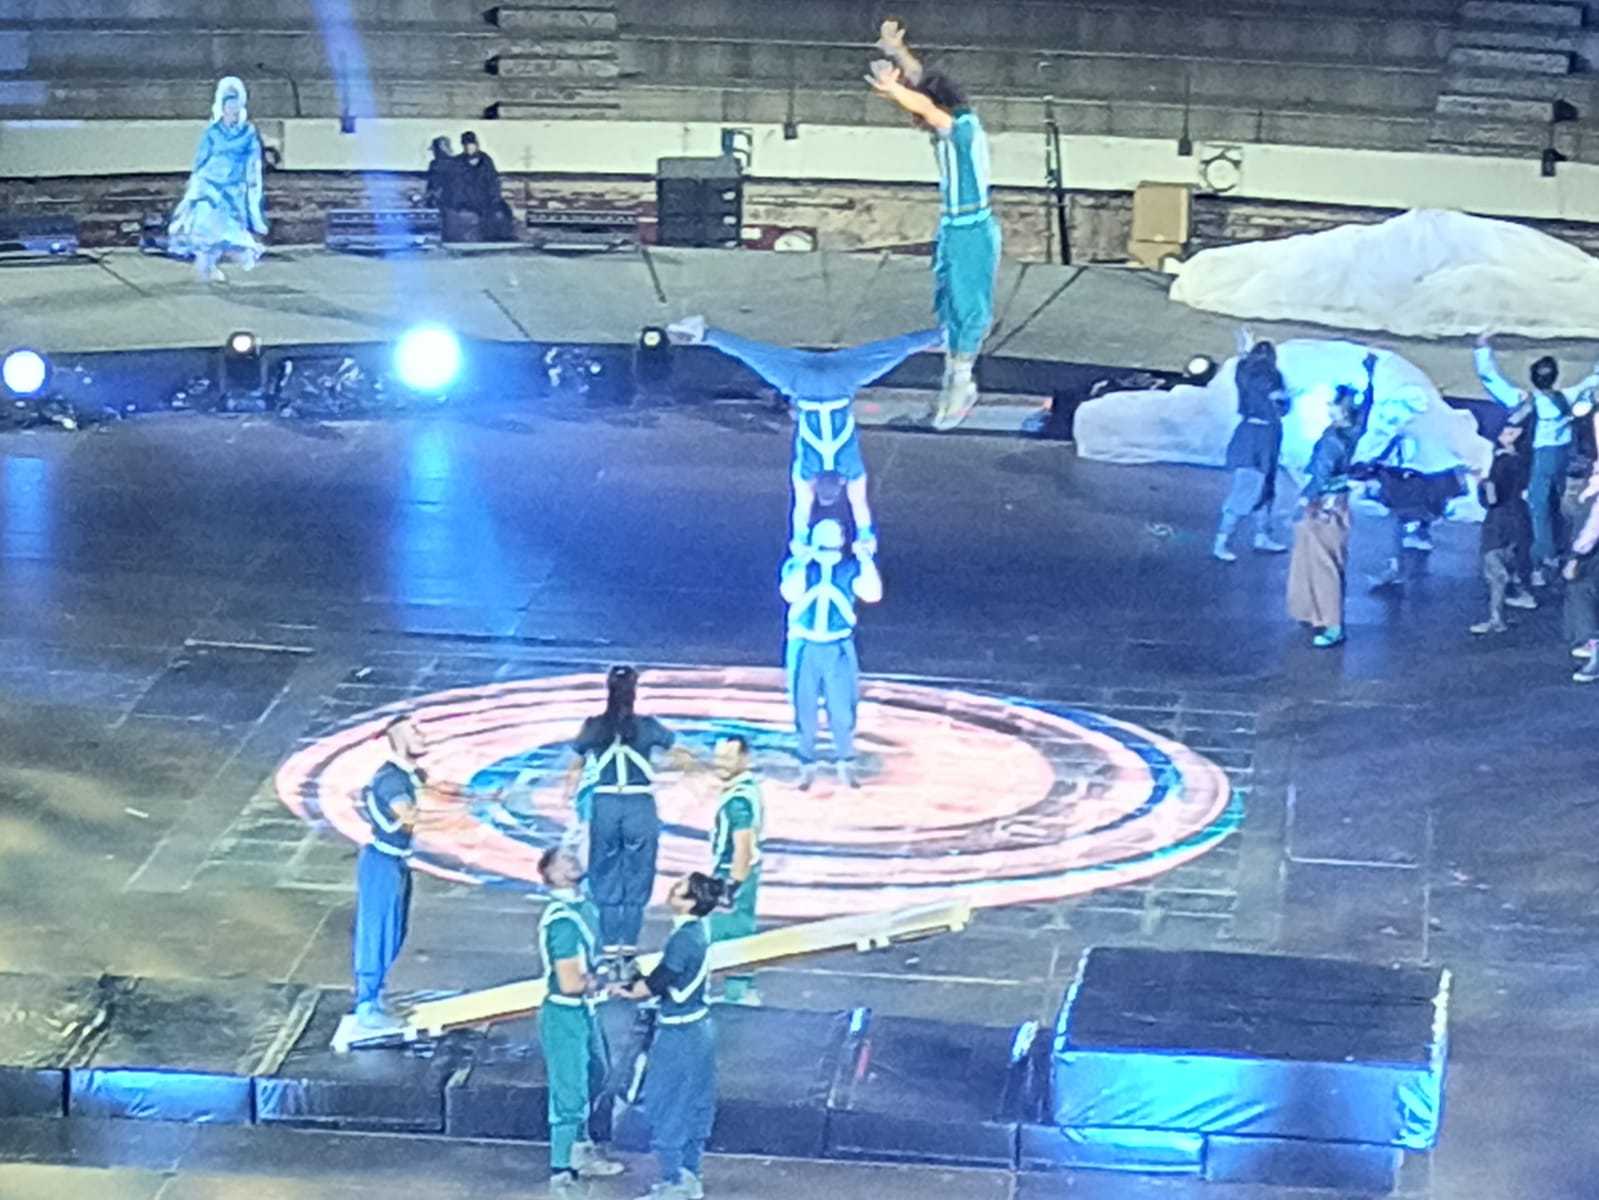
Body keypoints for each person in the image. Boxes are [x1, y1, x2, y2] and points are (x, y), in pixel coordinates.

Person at [667, 317, 940, 550]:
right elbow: (801, 508)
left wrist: (865, 536)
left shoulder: (850, 468)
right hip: (801, 384)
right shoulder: (807, 470)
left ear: (841, 481)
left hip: (841, 381)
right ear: (815, 481)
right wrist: (799, 539)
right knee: (754, 353)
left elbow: (859, 505)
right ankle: (704, 333)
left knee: (895, 350)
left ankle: (942, 335)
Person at [869, 19, 1001, 432]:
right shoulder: (958, 120)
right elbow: (925, 83)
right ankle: (954, 376)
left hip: (971, 230)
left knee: (968, 306)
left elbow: (927, 106)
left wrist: (895, 91)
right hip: (956, 227)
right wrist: (896, 51)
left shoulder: (958, 129)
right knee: (951, 304)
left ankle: (962, 382)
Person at [612, 872, 725, 1200]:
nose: (672, 890)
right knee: (693, 1104)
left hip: (679, 1034)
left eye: (679, 889)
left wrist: (627, 988)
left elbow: (659, 982)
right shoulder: (699, 929)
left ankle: (675, 1182)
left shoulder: (683, 939)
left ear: (690, 902)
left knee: (667, 1103)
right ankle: (689, 1175)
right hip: (699, 1030)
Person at [567, 666, 689, 954]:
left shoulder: (594, 726)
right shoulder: (648, 726)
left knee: (604, 870)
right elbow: (681, 756)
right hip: (639, 805)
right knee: (639, 872)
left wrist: (572, 801)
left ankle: (609, 946)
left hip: (606, 804)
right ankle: (630, 945)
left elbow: (575, 767)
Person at [537, 847, 626, 1198]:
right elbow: (570, 982)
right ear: (551, 874)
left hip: (585, 1010)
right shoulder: (562, 922)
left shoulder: (584, 908)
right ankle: (562, 1172)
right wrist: (607, 981)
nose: (573, 860)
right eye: (564, 859)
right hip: (565, 1013)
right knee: (569, 1088)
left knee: (596, 1075)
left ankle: (580, 1148)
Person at [1475, 336, 1599, 585]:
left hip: (1538, 459)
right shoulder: (1567, 397)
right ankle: (1561, 552)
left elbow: (1492, 381)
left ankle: (1542, 560)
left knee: (1537, 510)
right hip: (1562, 458)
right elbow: (1593, 380)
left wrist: (1482, 350)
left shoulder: (1526, 401)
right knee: (1559, 508)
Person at [780, 517, 883, 788]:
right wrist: (802, 561)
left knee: (842, 708)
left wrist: (866, 561)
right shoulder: (800, 567)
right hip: (805, 645)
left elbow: (872, 594)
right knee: (804, 706)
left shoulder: (849, 569)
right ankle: (806, 762)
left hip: (838, 647)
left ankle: (845, 761)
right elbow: (789, 593)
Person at [1286, 357, 1376, 648]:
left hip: (1323, 506)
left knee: (1322, 564)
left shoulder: (1333, 440)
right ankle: (1311, 611)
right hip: (1338, 503)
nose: (1328, 408)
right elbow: (1367, 407)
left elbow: (1321, 476)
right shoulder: (1352, 431)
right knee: (1318, 560)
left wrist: (1304, 499)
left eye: (1332, 404)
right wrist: (1370, 376)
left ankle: (1331, 622)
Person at [352, 716, 426, 1028]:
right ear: (399, 739)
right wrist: (454, 818)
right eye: (414, 731)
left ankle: (378, 996)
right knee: (378, 933)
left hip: (396, 862)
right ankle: (366, 1005)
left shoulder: (410, 775)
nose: (422, 735)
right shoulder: (391, 781)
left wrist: (484, 798)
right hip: (381, 863)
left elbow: (441, 791)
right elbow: (408, 815)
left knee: (395, 932)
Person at [168, 76, 268, 283]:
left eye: (236, 107)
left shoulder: (248, 132)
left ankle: (221, 262)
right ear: (222, 108)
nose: (232, 111)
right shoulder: (212, 132)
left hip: (233, 189)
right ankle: (206, 268)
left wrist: (251, 192)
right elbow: (201, 160)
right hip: (209, 185)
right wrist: (194, 184)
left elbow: (253, 163)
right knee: (206, 228)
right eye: (229, 107)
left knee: (229, 229)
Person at [1214, 333, 1290, 562]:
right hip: (1257, 438)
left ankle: (1261, 535)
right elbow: (1280, 402)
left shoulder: (1251, 373)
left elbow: (1281, 404)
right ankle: (1222, 541)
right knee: (1246, 490)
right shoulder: (1264, 375)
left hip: (1260, 436)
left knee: (1264, 489)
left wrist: (1244, 352)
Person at [706, 735, 763, 1006]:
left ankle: (738, 992)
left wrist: (732, 883)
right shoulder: (744, 789)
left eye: (728, 758)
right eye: (718, 758)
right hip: (736, 872)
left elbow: (743, 845)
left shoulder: (738, 800)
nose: (721, 764)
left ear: (744, 759)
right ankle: (739, 989)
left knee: (730, 932)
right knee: (734, 929)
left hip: (732, 872)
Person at [1470, 413, 1534, 636]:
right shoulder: (1524, 460)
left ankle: (1496, 618)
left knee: (1494, 570)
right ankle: (1520, 595)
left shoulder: (1500, 462)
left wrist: (1482, 482)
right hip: (1520, 515)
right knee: (1512, 561)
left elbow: (1492, 498)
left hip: (1499, 520)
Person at [453, 130, 515, 241]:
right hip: (468, 198)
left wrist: (495, 197)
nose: (469, 147)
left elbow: (493, 180)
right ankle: (486, 236)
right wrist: (462, 200)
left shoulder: (486, 160)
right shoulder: (458, 162)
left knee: (503, 210)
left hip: (487, 196)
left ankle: (504, 236)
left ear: (476, 145)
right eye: (466, 144)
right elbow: (457, 184)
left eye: (471, 144)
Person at [423, 135, 458, 213]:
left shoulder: (435, 164)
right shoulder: (456, 162)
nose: (434, 153)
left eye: (435, 150)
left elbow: (433, 185)